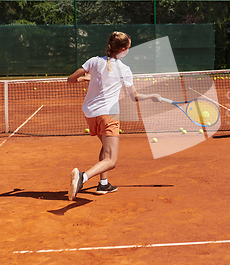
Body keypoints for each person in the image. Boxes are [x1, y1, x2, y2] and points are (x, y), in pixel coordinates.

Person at [66, 31, 161, 201]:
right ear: (123, 49)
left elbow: (71, 79)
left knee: (105, 148)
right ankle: (82, 177)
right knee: (112, 160)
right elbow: (135, 97)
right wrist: (153, 96)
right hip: (108, 115)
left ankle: (104, 184)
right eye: (128, 48)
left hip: (90, 113)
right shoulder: (124, 69)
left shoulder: (94, 61)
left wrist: (86, 78)